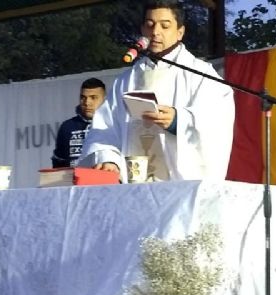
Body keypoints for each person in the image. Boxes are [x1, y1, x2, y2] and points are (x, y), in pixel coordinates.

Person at [78, 0, 235, 182]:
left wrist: (178, 121)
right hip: (134, 181)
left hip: (179, 184)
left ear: (180, 32)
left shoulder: (200, 74)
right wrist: (110, 159)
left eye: (165, 26)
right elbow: (104, 128)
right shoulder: (126, 80)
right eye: (150, 25)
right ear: (142, 29)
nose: (155, 32)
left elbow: (218, 119)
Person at [51, 77, 107, 168]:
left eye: (93, 97)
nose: (87, 102)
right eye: (83, 97)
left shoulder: (112, 125)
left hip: (107, 180)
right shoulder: (67, 127)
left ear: (104, 99)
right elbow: (59, 163)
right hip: (74, 180)